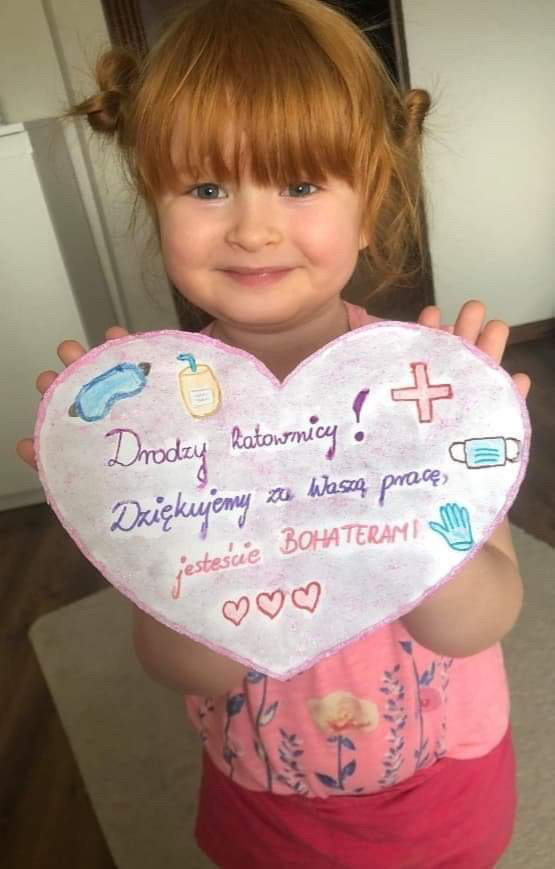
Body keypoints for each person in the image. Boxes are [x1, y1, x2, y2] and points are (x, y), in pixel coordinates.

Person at [17, 1, 531, 865]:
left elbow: (478, 621)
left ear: (369, 208)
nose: (252, 229)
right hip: (265, 786)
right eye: (206, 188)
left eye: (298, 185)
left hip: (442, 771)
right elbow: (191, 667)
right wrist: (131, 512)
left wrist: (425, 493)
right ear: (153, 202)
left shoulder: (427, 389)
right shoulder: (158, 424)